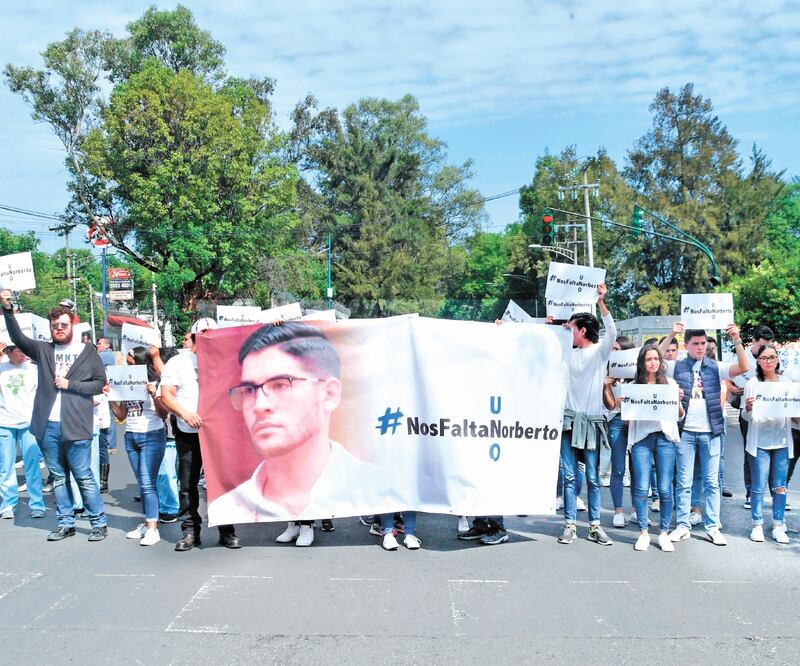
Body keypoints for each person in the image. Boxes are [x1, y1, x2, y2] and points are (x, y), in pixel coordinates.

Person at [209, 322, 374, 546]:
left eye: (280, 385)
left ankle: (306, 525)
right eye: (250, 390)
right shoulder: (227, 506)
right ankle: (292, 524)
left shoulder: (370, 484)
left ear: (329, 393)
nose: (260, 405)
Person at [1, 289, 108, 541]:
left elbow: (99, 384)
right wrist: (7, 310)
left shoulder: (87, 352)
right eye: (55, 326)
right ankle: (66, 523)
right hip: (48, 425)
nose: (59, 329)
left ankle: (98, 523)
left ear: (72, 325)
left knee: (83, 476)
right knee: (59, 477)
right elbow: (18, 337)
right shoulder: (44, 350)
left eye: (63, 325)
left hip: (76, 424)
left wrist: (72, 386)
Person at [660, 322, 750, 546]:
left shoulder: (714, 366)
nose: (700, 347)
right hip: (686, 432)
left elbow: (744, 366)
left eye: (702, 343)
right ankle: (682, 525)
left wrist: (736, 339)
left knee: (711, 482)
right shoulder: (677, 367)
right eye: (695, 344)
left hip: (711, 432)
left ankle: (712, 526)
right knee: (683, 481)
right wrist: (673, 333)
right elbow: (655, 358)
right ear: (686, 345)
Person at [160, 319, 240, 551]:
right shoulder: (178, 362)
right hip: (188, 432)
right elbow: (167, 395)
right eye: (203, 335)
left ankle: (227, 530)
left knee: (222, 482)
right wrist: (185, 413)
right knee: (188, 483)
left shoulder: (225, 360)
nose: (207, 339)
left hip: (218, 433)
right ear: (194, 337)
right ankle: (189, 530)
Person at [557, 283, 616, 546]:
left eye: (572, 328)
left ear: (582, 330)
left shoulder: (599, 352)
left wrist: (602, 302)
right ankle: (569, 525)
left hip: (592, 423)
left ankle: (594, 526)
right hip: (569, 422)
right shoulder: (565, 353)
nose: (569, 332)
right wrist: (554, 330)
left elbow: (612, 331)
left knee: (592, 477)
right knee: (569, 476)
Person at [623, 344, 684, 552]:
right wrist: (625, 403)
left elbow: (680, 414)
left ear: (661, 362)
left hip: (665, 438)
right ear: (642, 362)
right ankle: (643, 532)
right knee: (641, 487)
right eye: (649, 359)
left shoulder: (670, 383)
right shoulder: (633, 386)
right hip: (642, 439)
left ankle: (664, 532)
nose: (653, 362)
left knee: (666, 488)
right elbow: (627, 416)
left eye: (656, 359)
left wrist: (678, 401)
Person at [111, 347, 169, 546]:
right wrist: (110, 397)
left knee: (147, 483)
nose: (127, 366)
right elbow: (121, 415)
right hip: (131, 436)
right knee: (143, 483)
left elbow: (163, 415)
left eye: (130, 363)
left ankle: (153, 528)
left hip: (151, 435)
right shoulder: (128, 383)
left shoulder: (156, 383)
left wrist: (154, 395)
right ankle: (147, 522)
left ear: (140, 362)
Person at [741, 345, 793, 544]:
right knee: (758, 485)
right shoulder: (753, 383)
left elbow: (793, 411)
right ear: (758, 361)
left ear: (777, 359)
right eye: (764, 358)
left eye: (772, 357)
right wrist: (747, 407)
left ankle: (779, 524)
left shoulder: (787, 383)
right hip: (759, 441)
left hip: (781, 440)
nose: (768, 361)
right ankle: (757, 524)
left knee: (780, 486)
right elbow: (745, 415)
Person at [728, 324, 774, 507]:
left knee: (774, 451)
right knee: (751, 451)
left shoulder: (772, 355)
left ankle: (776, 492)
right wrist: (733, 388)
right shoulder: (740, 356)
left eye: (768, 345)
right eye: (761, 345)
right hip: (746, 411)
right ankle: (750, 493)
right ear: (753, 341)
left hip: (771, 412)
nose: (765, 349)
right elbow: (727, 379)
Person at [0, 343, 45, 520]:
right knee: (6, 466)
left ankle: (37, 504)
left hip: (28, 423)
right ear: (9, 352)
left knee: (32, 464)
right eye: (19, 350)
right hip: (5, 422)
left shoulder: (34, 370)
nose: (24, 354)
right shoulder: (2, 369)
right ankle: (8, 504)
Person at [603, 336, 635, 528]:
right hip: (616, 422)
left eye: (618, 349)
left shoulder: (637, 374)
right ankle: (618, 511)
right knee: (618, 469)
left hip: (637, 424)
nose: (614, 352)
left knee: (638, 470)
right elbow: (610, 405)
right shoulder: (606, 373)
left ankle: (637, 511)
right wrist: (606, 385)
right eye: (612, 349)